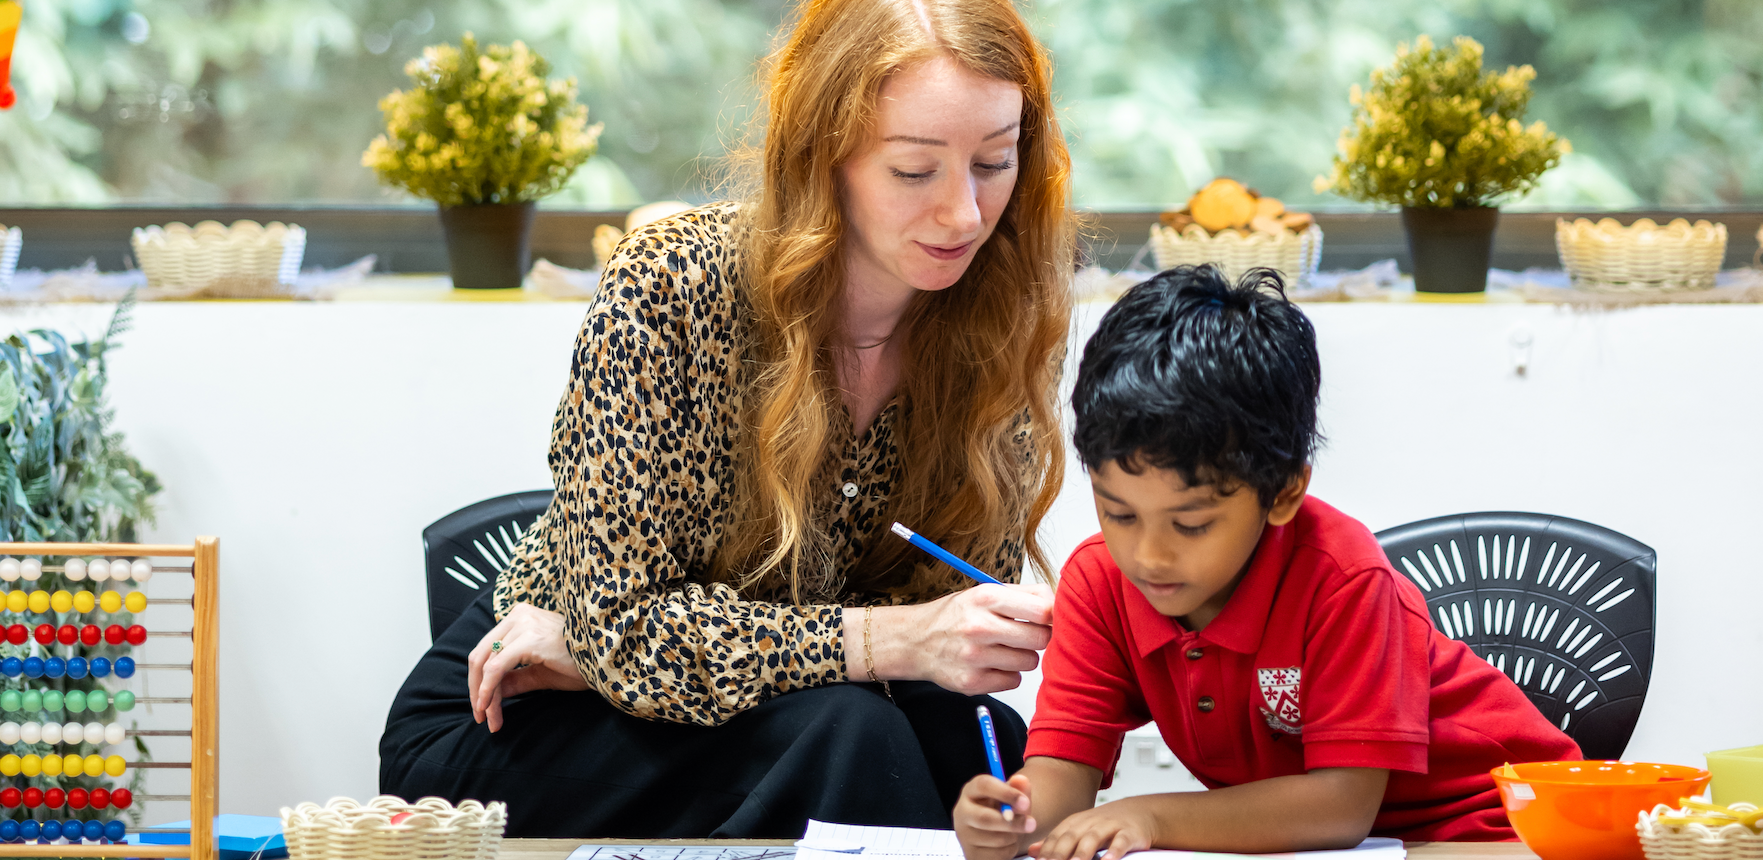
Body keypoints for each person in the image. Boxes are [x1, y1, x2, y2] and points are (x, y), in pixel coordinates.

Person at [380, 0, 1078, 839]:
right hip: (510, 713)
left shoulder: (1001, 321)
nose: (964, 213)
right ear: (821, 156)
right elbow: (628, 636)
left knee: (977, 744)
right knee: (849, 735)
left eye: (995, 161)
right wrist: (616, 660)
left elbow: (945, 636)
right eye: (913, 171)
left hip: (699, 690)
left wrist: (606, 657)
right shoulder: (669, 288)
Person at [953, 266, 1580, 860]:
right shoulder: (1099, 583)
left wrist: (1153, 817)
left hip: (1501, 831)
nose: (1148, 555)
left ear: (1282, 493)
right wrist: (1010, 822)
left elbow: (1341, 807)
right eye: (1119, 514)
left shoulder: (1344, 580)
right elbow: (1060, 786)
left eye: (1191, 524)